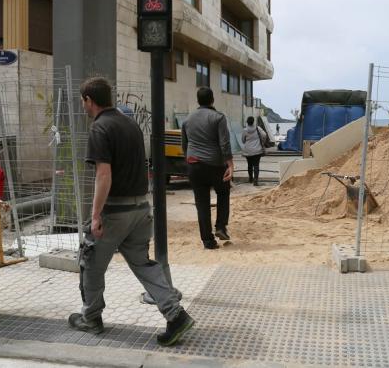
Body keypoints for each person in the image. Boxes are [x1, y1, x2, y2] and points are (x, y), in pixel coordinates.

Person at [69, 77, 193, 347]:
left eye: (83, 100)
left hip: (115, 211)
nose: (82, 105)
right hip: (140, 208)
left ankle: (91, 318)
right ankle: (176, 315)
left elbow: (103, 174)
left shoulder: (100, 128)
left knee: (90, 264)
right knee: (143, 265)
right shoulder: (130, 124)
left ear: (89, 100)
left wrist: (95, 216)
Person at [181, 87, 234, 249]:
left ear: (198, 101)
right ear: (212, 100)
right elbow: (224, 143)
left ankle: (208, 241)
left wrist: (190, 162)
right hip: (215, 165)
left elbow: (185, 145)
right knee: (223, 193)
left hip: (194, 164)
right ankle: (220, 226)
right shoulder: (218, 117)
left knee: (202, 203)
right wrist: (230, 164)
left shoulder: (187, 120)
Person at [241, 116, 267, 186]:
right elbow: (264, 135)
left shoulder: (245, 130)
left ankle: (250, 179)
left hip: (248, 151)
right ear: (253, 122)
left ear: (247, 122)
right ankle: (255, 181)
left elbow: (243, 141)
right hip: (257, 150)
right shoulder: (258, 128)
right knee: (256, 165)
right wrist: (262, 142)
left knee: (249, 165)